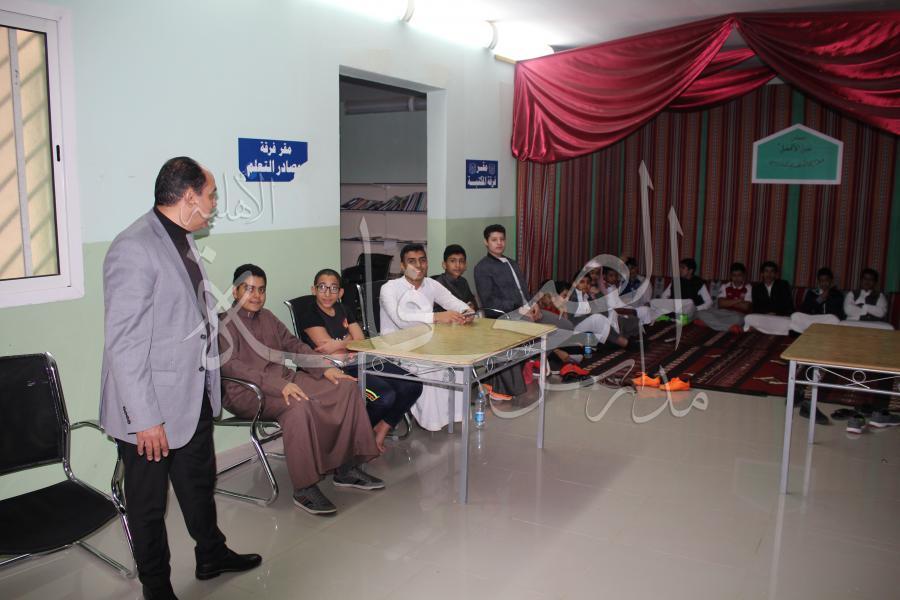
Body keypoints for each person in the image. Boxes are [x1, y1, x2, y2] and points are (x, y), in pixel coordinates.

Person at [100, 157, 260, 600]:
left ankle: (212, 554)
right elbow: (124, 344)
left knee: (198, 486)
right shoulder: (134, 247)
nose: (214, 204)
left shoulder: (183, 238)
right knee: (148, 506)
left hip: (191, 395)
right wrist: (145, 419)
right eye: (211, 195)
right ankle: (156, 587)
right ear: (189, 197)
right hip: (149, 408)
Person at [219, 264, 382, 516]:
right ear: (235, 291)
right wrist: (280, 385)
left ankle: (346, 468)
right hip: (247, 392)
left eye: (261, 290)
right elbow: (234, 367)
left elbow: (294, 345)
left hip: (285, 379)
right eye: (249, 289)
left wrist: (325, 368)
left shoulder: (268, 317)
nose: (256, 295)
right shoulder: (223, 324)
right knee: (297, 405)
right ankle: (304, 488)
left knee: (345, 387)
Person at [298, 268, 422, 452]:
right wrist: (349, 342)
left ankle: (380, 430)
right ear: (313, 289)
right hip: (339, 369)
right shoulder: (310, 314)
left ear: (340, 292)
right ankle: (352, 439)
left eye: (333, 288)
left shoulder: (344, 309)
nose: (327, 293)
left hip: (361, 359)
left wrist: (340, 343)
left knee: (413, 384)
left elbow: (361, 341)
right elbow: (331, 352)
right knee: (385, 397)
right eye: (322, 287)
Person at [473, 224, 630, 350]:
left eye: (502, 239)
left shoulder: (512, 263)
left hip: (528, 309)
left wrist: (533, 304)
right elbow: (489, 302)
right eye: (494, 240)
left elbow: (524, 291)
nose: (499, 243)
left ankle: (553, 357)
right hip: (507, 315)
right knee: (536, 331)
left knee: (566, 325)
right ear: (486, 242)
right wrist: (520, 308)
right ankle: (540, 363)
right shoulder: (482, 268)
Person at [380, 244, 473, 431]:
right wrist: (436, 317)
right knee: (431, 368)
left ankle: (454, 416)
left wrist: (467, 312)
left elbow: (453, 302)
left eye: (422, 260)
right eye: (412, 261)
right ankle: (431, 422)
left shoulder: (430, 284)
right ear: (402, 266)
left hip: (427, 343)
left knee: (459, 362)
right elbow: (401, 320)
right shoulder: (389, 288)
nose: (418, 265)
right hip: (397, 347)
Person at [694, 262, 752, 333]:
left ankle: (707, 324)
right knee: (700, 313)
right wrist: (739, 300)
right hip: (722, 312)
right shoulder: (725, 286)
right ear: (731, 276)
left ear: (743, 276)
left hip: (737, 314)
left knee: (738, 319)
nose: (736, 278)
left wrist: (727, 302)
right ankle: (728, 327)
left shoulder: (748, 287)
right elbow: (721, 304)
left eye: (739, 275)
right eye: (734, 275)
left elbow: (745, 307)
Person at [649, 257, 713, 322]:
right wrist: (666, 304)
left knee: (690, 302)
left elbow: (709, 302)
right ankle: (672, 317)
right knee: (653, 302)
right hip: (675, 307)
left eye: (683, 268)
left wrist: (696, 308)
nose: (680, 270)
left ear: (690, 271)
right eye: (680, 267)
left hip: (689, 308)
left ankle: (674, 317)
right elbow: (664, 295)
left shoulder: (698, 282)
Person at [743, 261, 794, 335]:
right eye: (766, 271)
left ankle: (763, 329)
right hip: (764, 316)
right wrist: (766, 313)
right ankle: (772, 330)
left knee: (789, 321)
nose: (769, 274)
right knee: (748, 317)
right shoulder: (756, 288)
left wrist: (775, 313)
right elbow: (756, 307)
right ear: (762, 273)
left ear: (775, 274)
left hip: (780, 316)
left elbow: (788, 304)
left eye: (772, 271)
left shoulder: (783, 285)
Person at [789, 267, 845, 333]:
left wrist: (829, 292)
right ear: (818, 282)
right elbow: (804, 309)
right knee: (795, 315)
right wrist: (820, 299)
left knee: (833, 318)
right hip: (814, 319)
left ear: (831, 281)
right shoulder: (812, 293)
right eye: (821, 281)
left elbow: (839, 313)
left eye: (826, 280)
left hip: (828, 320)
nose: (824, 283)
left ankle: (805, 329)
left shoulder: (837, 294)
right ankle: (809, 328)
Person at [432, 244, 477, 311]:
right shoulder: (438, 283)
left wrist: (471, 305)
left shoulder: (463, 281)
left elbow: (472, 302)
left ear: (465, 265)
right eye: (452, 261)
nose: (457, 265)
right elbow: (434, 311)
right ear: (444, 265)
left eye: (461, 261)